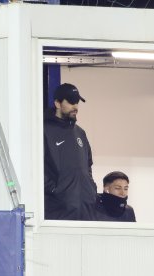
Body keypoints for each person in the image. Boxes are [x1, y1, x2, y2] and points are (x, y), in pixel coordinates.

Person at [44, 83, 97, 220]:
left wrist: (90, 189)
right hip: (58, 210)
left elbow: (88, 165)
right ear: (57, 103)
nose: (76, 107)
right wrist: (55, 190)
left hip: (86, 208)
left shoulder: (80, 133)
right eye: (71, 102)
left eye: (77, 102)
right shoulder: (44, 130)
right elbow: (36, 168)